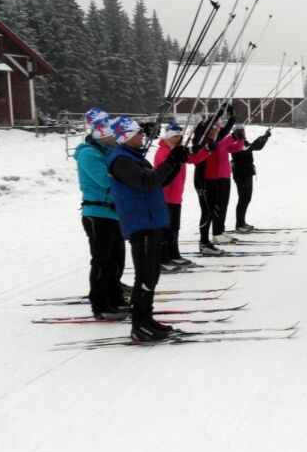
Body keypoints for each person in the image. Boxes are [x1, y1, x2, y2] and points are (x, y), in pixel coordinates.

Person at [107, 116, 189, 342]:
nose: (142, 136)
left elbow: (159, 181)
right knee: (145, 275)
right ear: (126, 136)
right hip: (140, 223)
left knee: (151, 274)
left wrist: (175, 163)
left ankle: (146, 319)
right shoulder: (121, 160)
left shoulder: (132, 157)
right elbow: (146, 182)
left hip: (150, 221)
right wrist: (170, 162)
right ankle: (139, 325)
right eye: (138, 133)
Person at [74, 108, 128, 320]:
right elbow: (106, 181)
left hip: (113, 214)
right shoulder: (89, 154)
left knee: (117, 260)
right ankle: (99, 303)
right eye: (111, 134)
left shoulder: (107, 151)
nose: (115, 138)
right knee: (102, 260)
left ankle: (115, 298)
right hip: (97, 214)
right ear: (100, 133)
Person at [154, 120, 210, 270]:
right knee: (166, 228)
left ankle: (174, 254)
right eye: (174, 137)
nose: (178, 139)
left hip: (176, 196)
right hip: (165, 196)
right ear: (168, 137)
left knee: (174, 227)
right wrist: (178, 156)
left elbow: (193, 159)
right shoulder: (163, 152)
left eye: (179, 137)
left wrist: (206, 150)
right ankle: (162, 258)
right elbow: (164, 169)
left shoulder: (178, 151)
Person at [192, 107, 236, 254]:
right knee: (206, 212)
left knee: (211, 212)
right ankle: (203, 243)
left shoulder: (214, 140)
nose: (214, 131)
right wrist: (218, 112)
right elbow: (203, 129)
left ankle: (206, 242)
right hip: (202, 180)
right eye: (211, 129)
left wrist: (232, 118)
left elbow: (224, 131)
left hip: (212, 180)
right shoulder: (200, 139)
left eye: (215, 129)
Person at [207, 121, 246, 243]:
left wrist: (241, 138)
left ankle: (221, 231)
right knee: (218, 206)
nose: (216, 131)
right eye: (214, 129)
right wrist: (232, 137)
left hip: (225, 175)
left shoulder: (222, 140)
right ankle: (216, 233)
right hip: (216, 177)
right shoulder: (213, 142)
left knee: (224, 205)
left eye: (218, 129)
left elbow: (236, 148)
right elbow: (220, 146)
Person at [230, 126, 272, 232]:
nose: (242, 133)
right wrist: (261, 137)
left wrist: (265, 137)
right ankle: (239, 224)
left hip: (247, 173)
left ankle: (242, 222)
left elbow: (257, 147)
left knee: (246, 198)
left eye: (243, 131)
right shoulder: (235, 144)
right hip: (240, 174)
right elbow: (248, 149)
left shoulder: (244, 142)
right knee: (243, 198)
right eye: (240, 132)